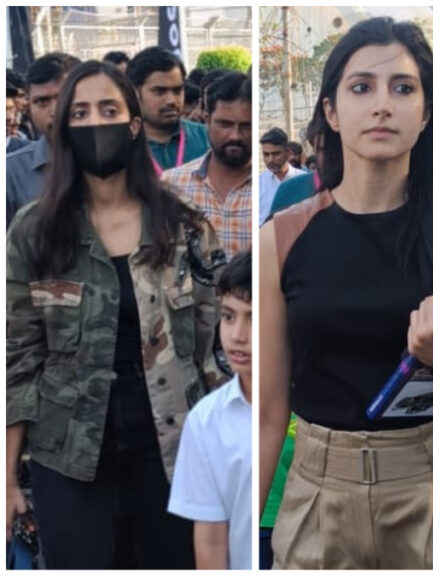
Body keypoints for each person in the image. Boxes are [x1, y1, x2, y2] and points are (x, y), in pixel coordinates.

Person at [258, 17, 433, 569]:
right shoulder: (281, 238)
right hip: (317, 501)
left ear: (425, 113)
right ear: (331, 110)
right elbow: (271, 412)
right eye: (361, 87)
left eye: (403, 88)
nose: (381, 105)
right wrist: (239, 530)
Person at [5, 60, 226, 569]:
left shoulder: (184, 226)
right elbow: (17, 357)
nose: (93, 122)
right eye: (78, 112)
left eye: (108, 109)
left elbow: (215, 347)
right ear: (61, 129)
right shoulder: (34, 232)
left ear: (133, 124)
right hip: (69, 451)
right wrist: (7, 477)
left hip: (174, 446)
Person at [168, 249, 252, 569]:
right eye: (229, 316)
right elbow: (211, 538)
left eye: (253, 318)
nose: (237, 336)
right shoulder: (205, 421)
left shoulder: (310, 407)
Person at [162, 72, 253, 259]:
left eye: (246, 126)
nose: (235, 135)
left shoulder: (265, 191)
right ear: (207, 119)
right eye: (224, 124)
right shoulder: (172, 186)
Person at [7, 52, 81, 228]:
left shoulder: (116, 160)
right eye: (42, 101)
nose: (55, 111)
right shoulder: (10, 174)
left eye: (64, 97)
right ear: (28, 108)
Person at [127, 47, 210, 174]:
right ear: (135, 93)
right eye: (159, 91)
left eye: (177, 91)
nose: (171, 100)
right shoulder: (122, 145)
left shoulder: (207, 138)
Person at [258, 127, 303, 224]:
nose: (270, 159)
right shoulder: (258, 184)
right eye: (266, 154)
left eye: (276, 154)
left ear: (288, 152)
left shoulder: (304, 180)